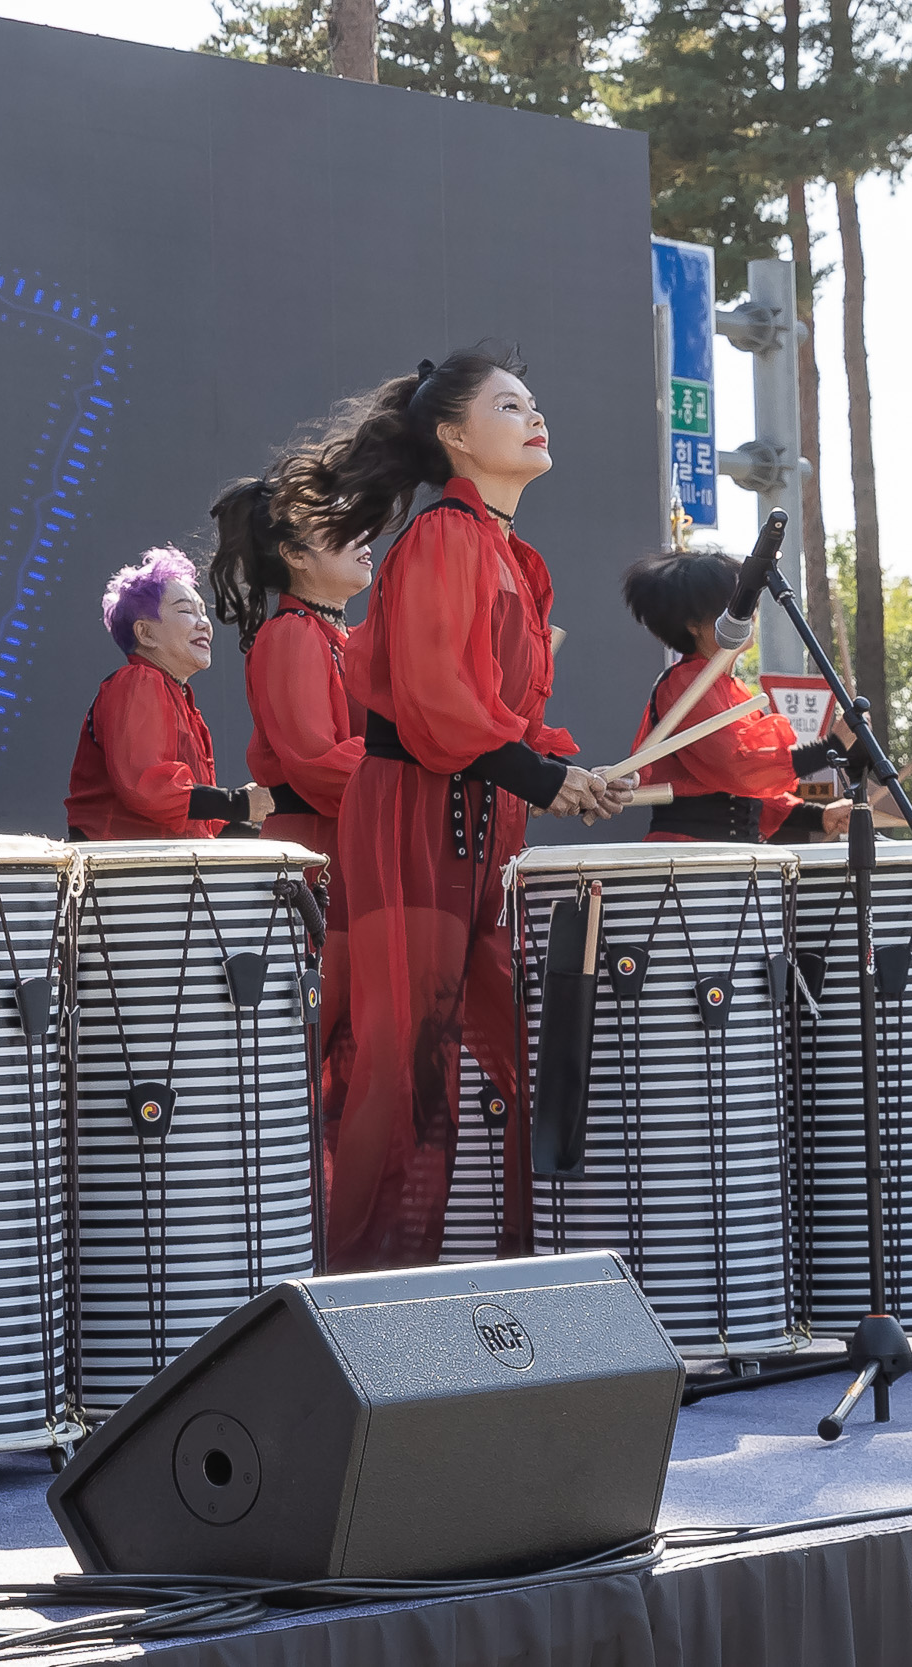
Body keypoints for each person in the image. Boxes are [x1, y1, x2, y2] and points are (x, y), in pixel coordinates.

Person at [284, 344, 631, 1271]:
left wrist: (568, 769)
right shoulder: (443, 533)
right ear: (454, 436)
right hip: (415, 819)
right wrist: (535, 772)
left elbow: (504, 713)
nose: (533, 414)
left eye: (533, 402)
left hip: (476, 823)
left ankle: (505, 1289)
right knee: (405, 1071)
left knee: (509, 1054)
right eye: (510, 404)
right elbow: (440, 700)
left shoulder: (507, 551)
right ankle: (369, 1302)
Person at [618, 547, 849, 843]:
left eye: (747, 601)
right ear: (693, 624)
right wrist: (832, 747)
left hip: (731, 857)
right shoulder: (687, 685)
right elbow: (739, 768)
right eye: (732, 606)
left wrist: (820, 816)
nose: (748, 613)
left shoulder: (729, 689)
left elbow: (752, 793)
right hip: (689, 856)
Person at [208, 468, 372, 867]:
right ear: (295, 554)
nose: (363, 535)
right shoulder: (291, 634)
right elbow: (316, 763)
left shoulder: (345, 637)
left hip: (348, 837)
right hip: (318, 851)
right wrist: (408, 766)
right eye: (339, 525)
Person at [65, 547, 272, 841]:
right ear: (145, 634)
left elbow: (196, 821)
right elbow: (149, 786)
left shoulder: (175, 693)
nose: (204, 623)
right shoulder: (139, 680)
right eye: (187, 611)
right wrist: (238, 803)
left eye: (204, 612)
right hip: (130, 872)